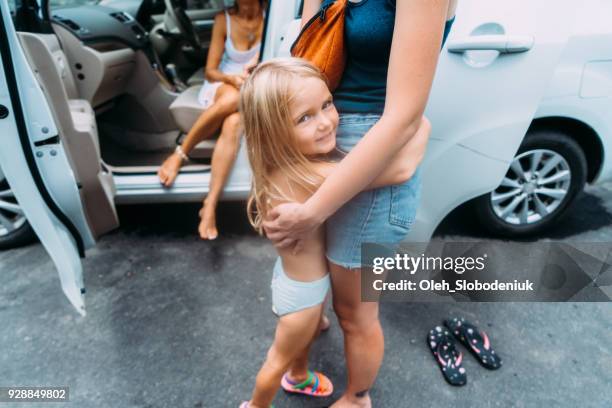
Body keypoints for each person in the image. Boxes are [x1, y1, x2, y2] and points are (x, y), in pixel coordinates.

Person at [262, 1, 458, 406]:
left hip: (370, 153)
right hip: (319, 135)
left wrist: (312, 210)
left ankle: (357, 397)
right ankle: (312, 330)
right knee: (320, 280)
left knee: (356, 312)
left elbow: (404, 118)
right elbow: (309, 49)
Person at [238, 58, 431, 408]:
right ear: (273, 131)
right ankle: (256, 404)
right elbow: (401, 169)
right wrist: (422, 126)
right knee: (277, 357)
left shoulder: (279, 165)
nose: (326, 122)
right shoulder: (305, 175)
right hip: (304, 294)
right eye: (305, 118)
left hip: (295, 283)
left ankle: (299, 376)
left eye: (327, 104)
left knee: (305, 334)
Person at [157, 0, 265, 240]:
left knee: (235, 122)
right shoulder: (222, 19)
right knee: (231, 100)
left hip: (252, 87)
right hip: (222, 83)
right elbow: (210, 71)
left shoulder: (271, 19)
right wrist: (233, 79)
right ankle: (180, 154)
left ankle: (210, 204)